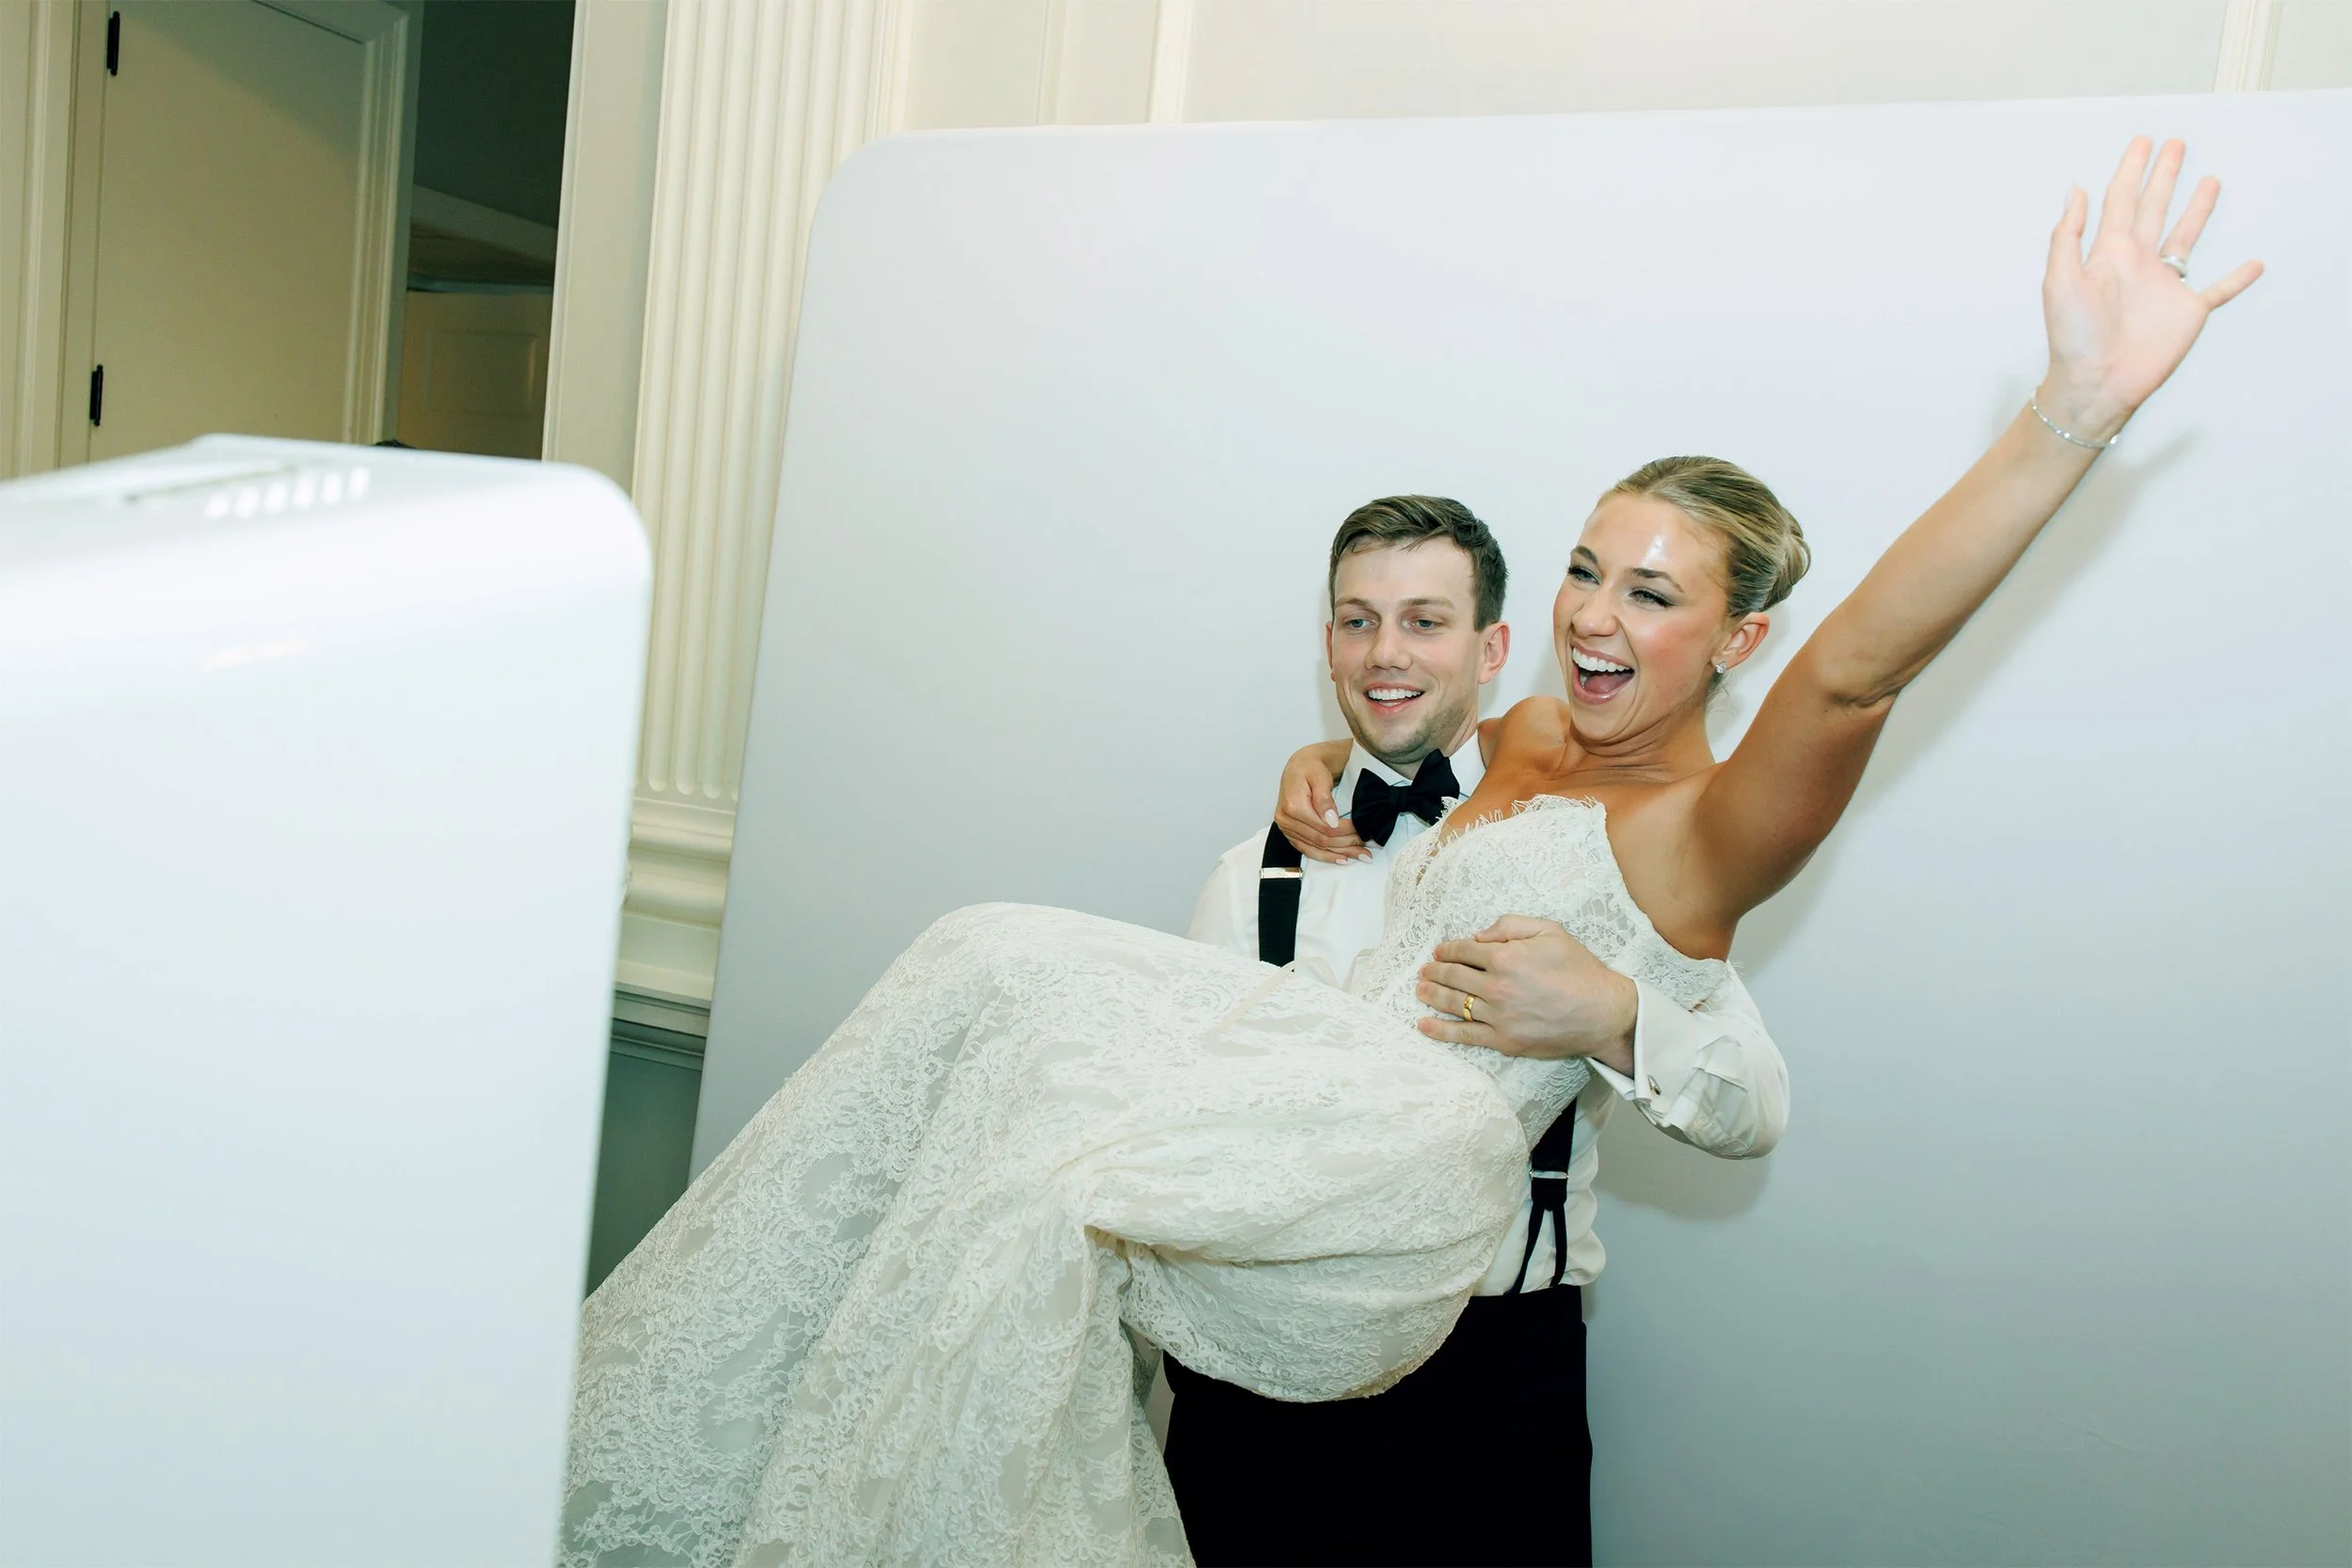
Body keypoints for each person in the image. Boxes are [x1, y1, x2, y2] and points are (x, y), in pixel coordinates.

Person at [559, 139, 2257, 1568]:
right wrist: (1331, 766)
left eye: (1654, 594)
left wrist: (2075, 407)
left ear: (1734, 647)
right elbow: (1414, 780)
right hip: (1301, 1128)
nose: (1597, 615)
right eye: (1591, 569)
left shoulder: (1706, 833)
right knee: (990, 965)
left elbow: (1862, 670)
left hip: (1418, 1220)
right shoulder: (1517, 740)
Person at [1169, 495, 1787, 1566]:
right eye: (1357, 621)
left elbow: (1754, 1103)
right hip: (1260, 1375)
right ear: (1326, 646)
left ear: (1493, 647)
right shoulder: (1247, 876)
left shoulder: (1591, 849)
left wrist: (1613, 1014)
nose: (1385, 653)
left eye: (1424, 620)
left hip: (1493, 1377)